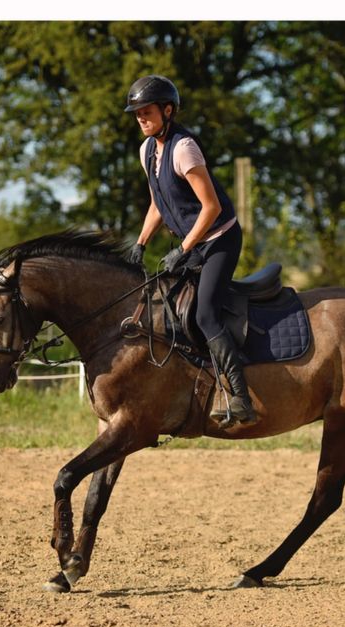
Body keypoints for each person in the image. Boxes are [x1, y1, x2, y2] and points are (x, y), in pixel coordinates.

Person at [123, 75, 257, 426]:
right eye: (137, 113)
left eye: (147, 111)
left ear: (168, 111)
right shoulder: (147, 150)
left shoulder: (184, 149)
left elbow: (211, 207)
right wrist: (140, 243)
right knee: (168, 307)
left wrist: (182, 248)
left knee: (205, 314)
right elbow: (159, 202)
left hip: (220, 240)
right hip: (194, 244)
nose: (141, 118)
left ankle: (241, 398)